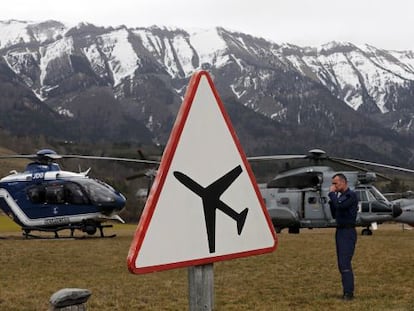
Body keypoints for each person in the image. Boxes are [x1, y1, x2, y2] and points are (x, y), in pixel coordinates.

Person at [328, 173, 358, 301]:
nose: (334, 186)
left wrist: (332, 195)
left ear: (343, 182)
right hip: (340, 231)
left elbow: (340, 206)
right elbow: (335, 213)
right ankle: (346, 290)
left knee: (344, 263)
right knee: (341, 263)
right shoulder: (340, 197)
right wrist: (332, 201)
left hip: (348, 231)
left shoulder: (350, 196)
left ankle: (348, 293)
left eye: (336, 183)